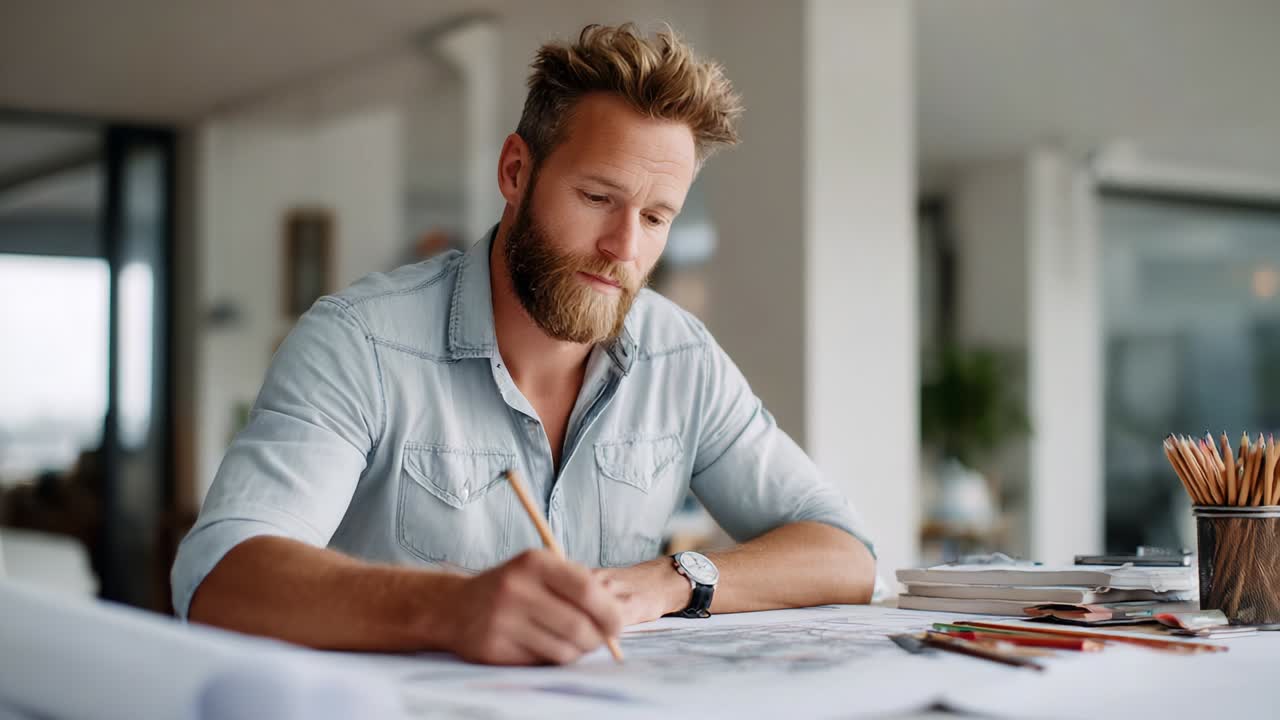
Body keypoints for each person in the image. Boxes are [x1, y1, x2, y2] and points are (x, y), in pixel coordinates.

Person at [172, 23, 876, 666]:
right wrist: (449, 607)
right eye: (598, 197)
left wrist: (670, 581)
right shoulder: (358, 342)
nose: (624, 249)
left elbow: (845, 554)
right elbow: (220, 577)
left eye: (657, 216)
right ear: (515, 172)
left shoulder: (679, 357)